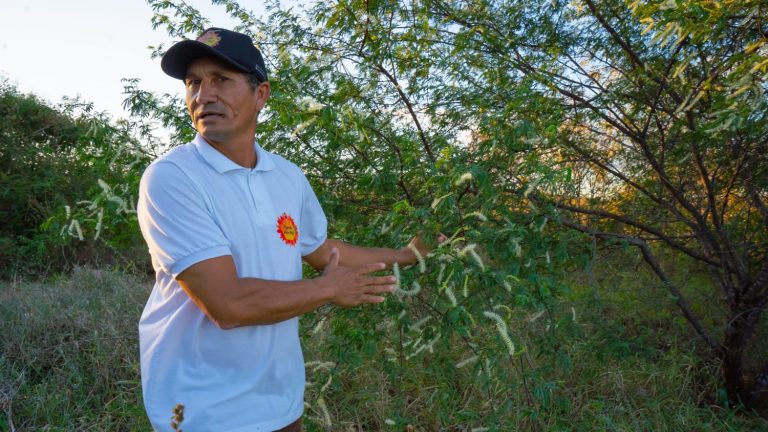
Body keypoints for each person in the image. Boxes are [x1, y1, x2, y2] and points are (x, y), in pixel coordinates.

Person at [136, 27, 428, 431]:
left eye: (221, 79)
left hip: (280, 399)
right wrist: (329, 288)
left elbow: (324, 251)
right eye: (194, 82)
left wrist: (409, 256)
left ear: (261, 95)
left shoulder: (286, 176)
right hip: (201, 408)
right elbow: (228, 304)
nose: (204, 95)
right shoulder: (173, 178)